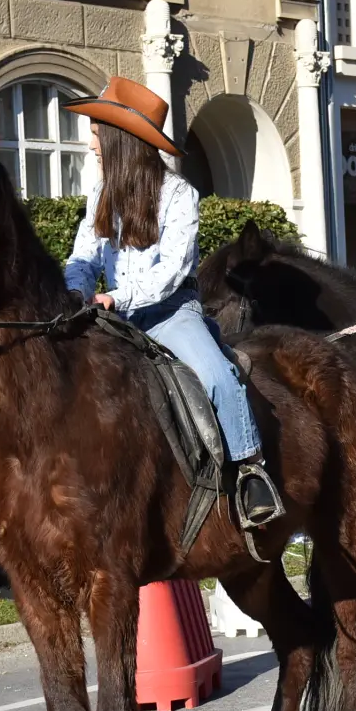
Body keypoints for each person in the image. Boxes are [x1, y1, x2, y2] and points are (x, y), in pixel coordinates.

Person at [62, 76, 280, 527]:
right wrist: (75, 291)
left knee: (217, 376)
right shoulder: (100, 195)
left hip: (169, 315)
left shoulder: (181, 195)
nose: (92, 145)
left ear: (121, 140)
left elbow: (171, 272)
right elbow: (84, 255)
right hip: (111, 316)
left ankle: (250, 472)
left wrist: (114, 298)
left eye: (98, 135)